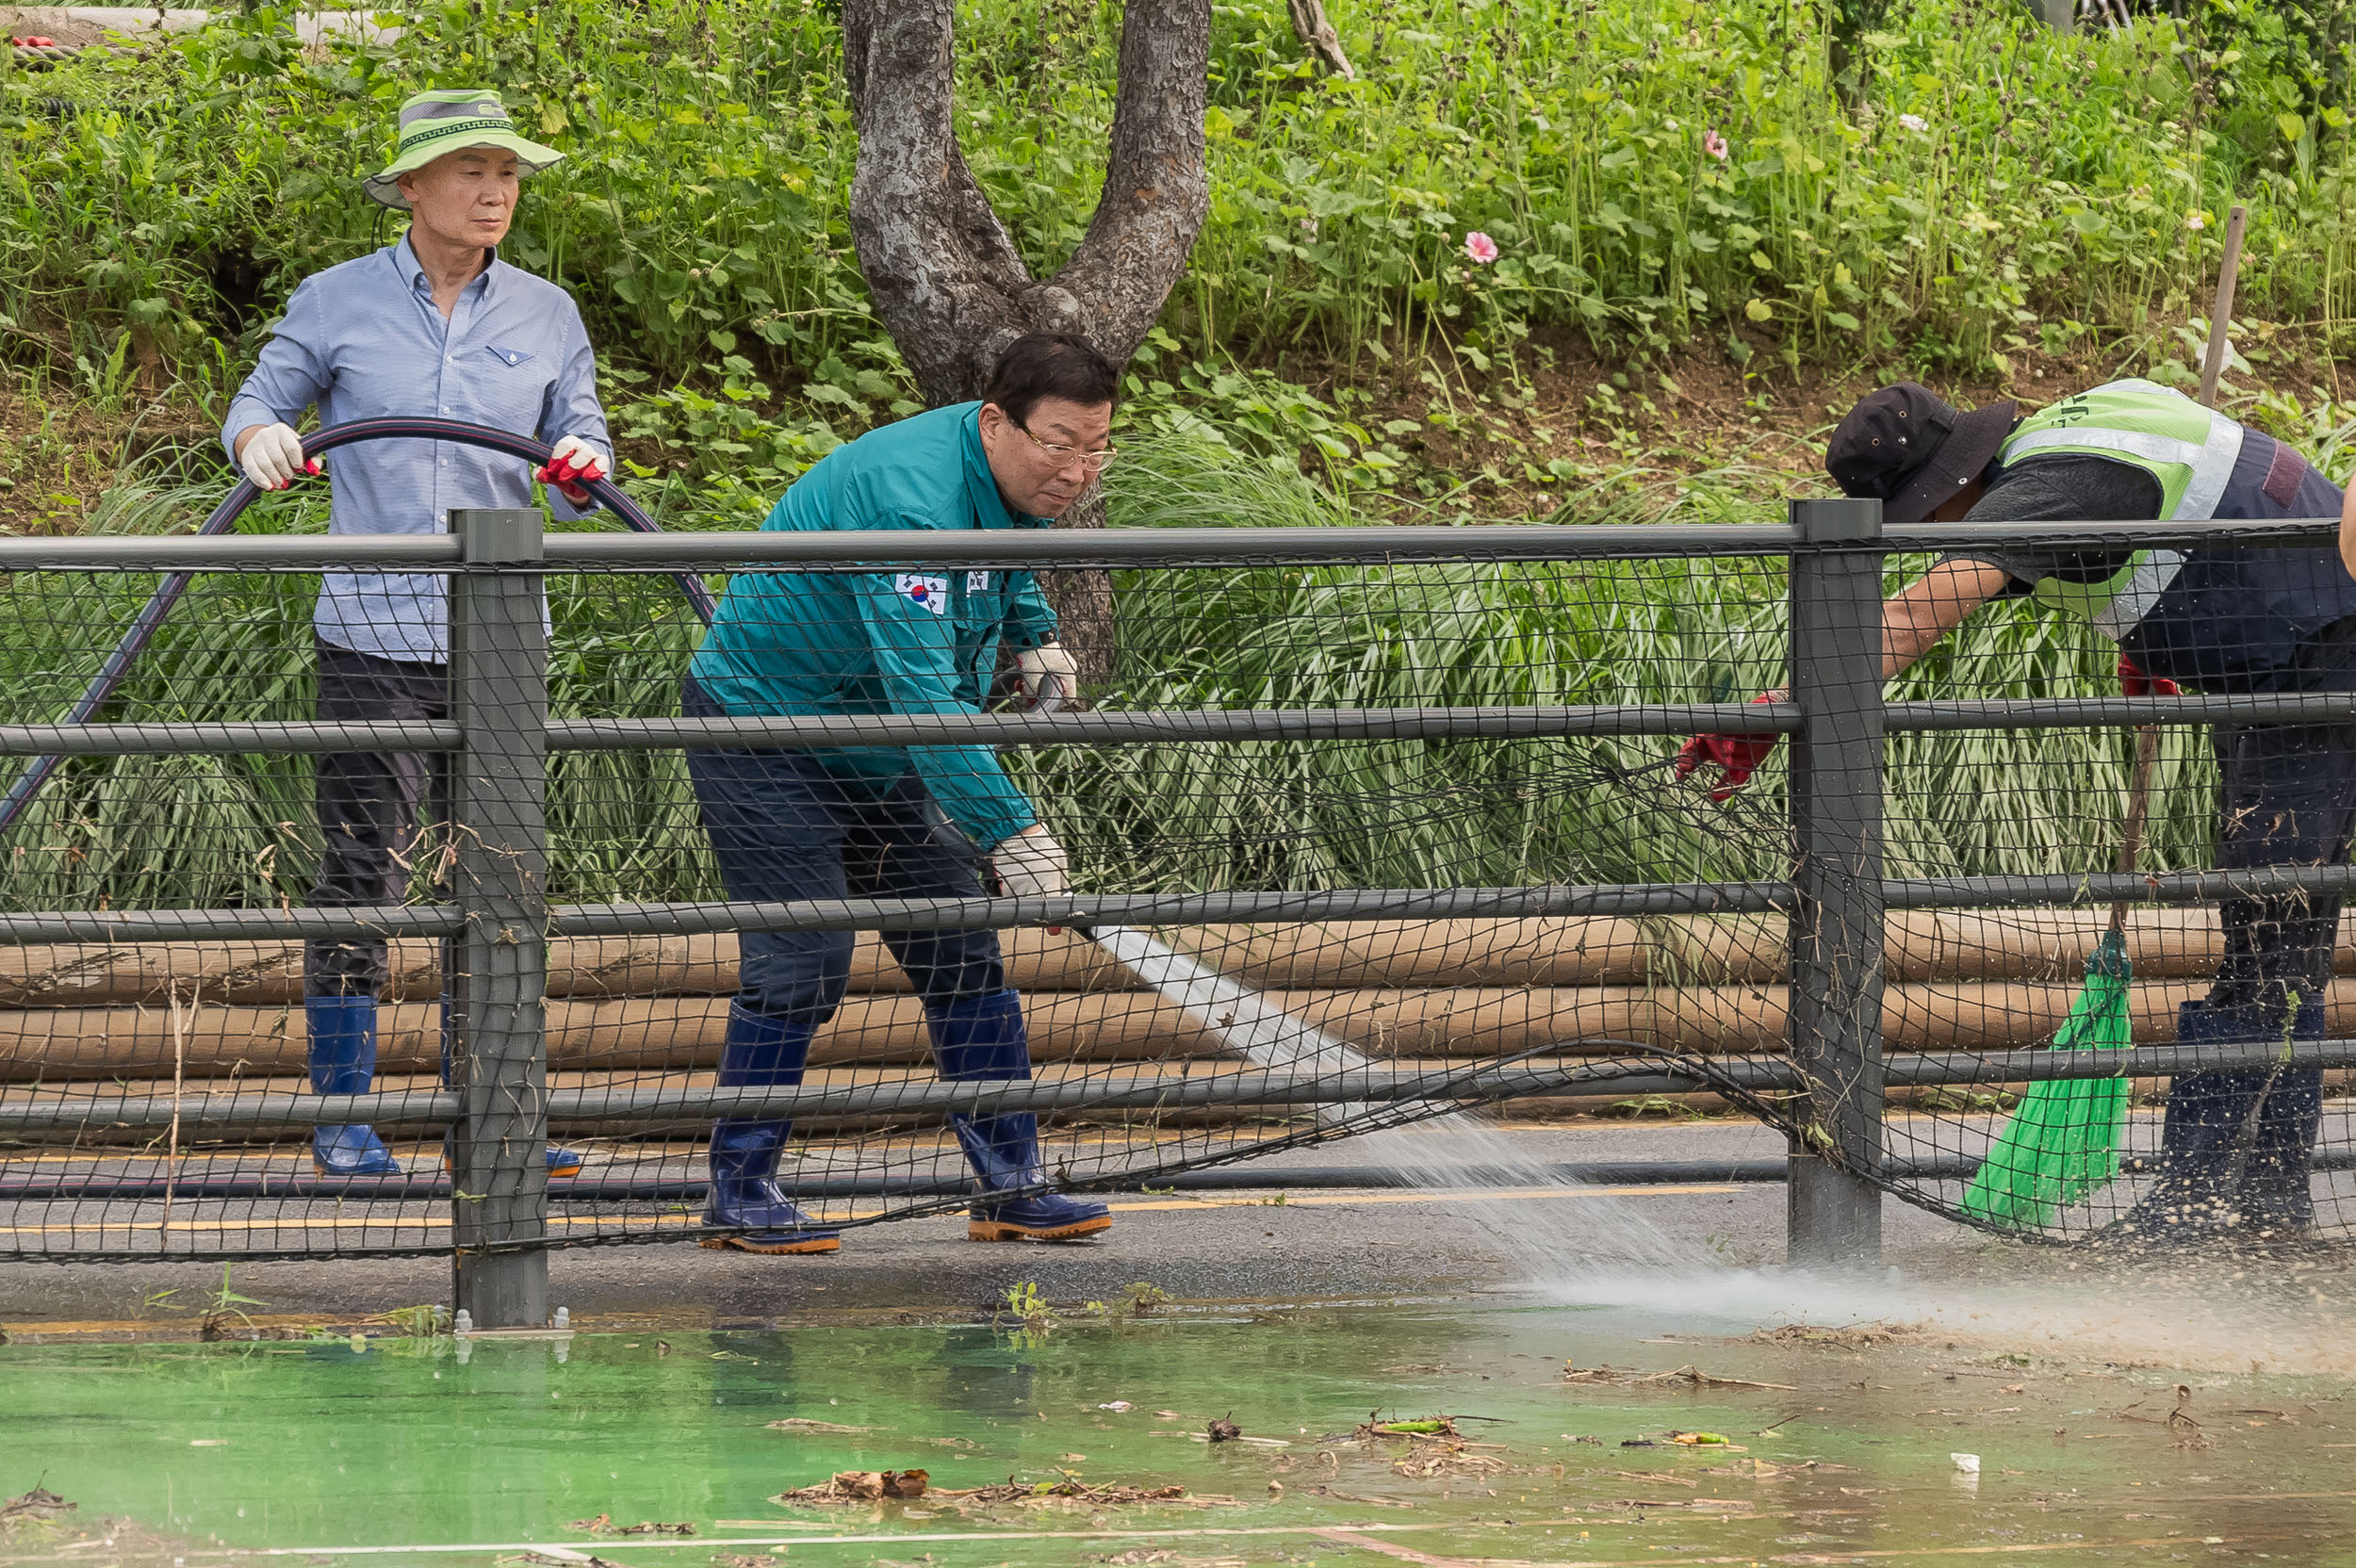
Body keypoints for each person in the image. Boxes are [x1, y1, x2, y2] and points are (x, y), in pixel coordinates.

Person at [1678, 377, 2356, 1243]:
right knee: (2280, 939)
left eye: (1925, 516)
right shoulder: (2089, 422)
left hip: (2316, 660)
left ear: (1954, 481)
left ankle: (2204, 1206)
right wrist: (2168, 630)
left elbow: (1920, 610)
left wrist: (1778, 709)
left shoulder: (2053, 483)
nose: (1931, 533)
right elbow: (2213, 512)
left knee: (2270, 932)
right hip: (2287, 654)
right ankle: (2265, 1205)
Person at [221, 90, 610, 1178]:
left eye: (509, 172)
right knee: (363, 870)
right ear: (410, 187)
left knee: (496, 873)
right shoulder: (336, 299)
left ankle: (490, 1111)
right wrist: (259, 438)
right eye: (471, 169)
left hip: (499, 632)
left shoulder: (547, 312)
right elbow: (259, 404)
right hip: (371, 632)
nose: (495, 190)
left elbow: (582, 436)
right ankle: (344, 1115)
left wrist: (585, 463)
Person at [680, 332, 1107, 1254]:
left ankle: (1010, 1185)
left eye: (1096, 445)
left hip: (877, 741)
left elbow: (1004, 560)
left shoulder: (1006, 472)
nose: (1077, 469)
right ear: (996, 421)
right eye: (1061, 443)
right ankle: (740, 1188)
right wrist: (1012, 833)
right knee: (802, 957)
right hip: (766, 727)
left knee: (958, 941)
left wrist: (1034, 633)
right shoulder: (911, 498)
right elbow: (923, 698)